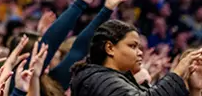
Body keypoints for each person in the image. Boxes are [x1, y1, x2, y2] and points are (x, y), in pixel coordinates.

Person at [71, 20, 202, 96]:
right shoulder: (99, 80)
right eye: (132, 46)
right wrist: (177, 73)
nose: (139, 53)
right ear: (110, 48)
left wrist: (195, 89)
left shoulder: (110, 78)